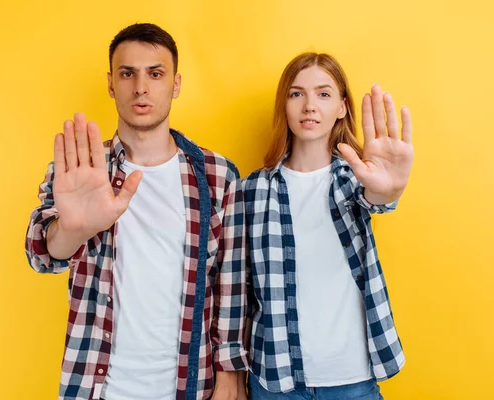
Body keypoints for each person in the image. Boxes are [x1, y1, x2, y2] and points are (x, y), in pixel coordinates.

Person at [25, 23, 249, 400]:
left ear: (175, 84)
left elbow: (231, 280)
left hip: (190, 385)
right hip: (97, 386)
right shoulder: (82, 169)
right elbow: (41, 254)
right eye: (127, 73)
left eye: (155, 73)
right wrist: (73, 230)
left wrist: (230, 374)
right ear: (111, 84)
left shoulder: (217, 175)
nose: (141, 87)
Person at [242, 52, 413, 399]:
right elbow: (238, 289)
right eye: (296, 94)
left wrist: (389, 188)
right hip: (275, 379)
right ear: (284, 105)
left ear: (342, 107)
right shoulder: (252, 189)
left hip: (353, 380)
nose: (309, 106)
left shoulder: (355, 180)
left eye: (323, 94)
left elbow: (376, 197)